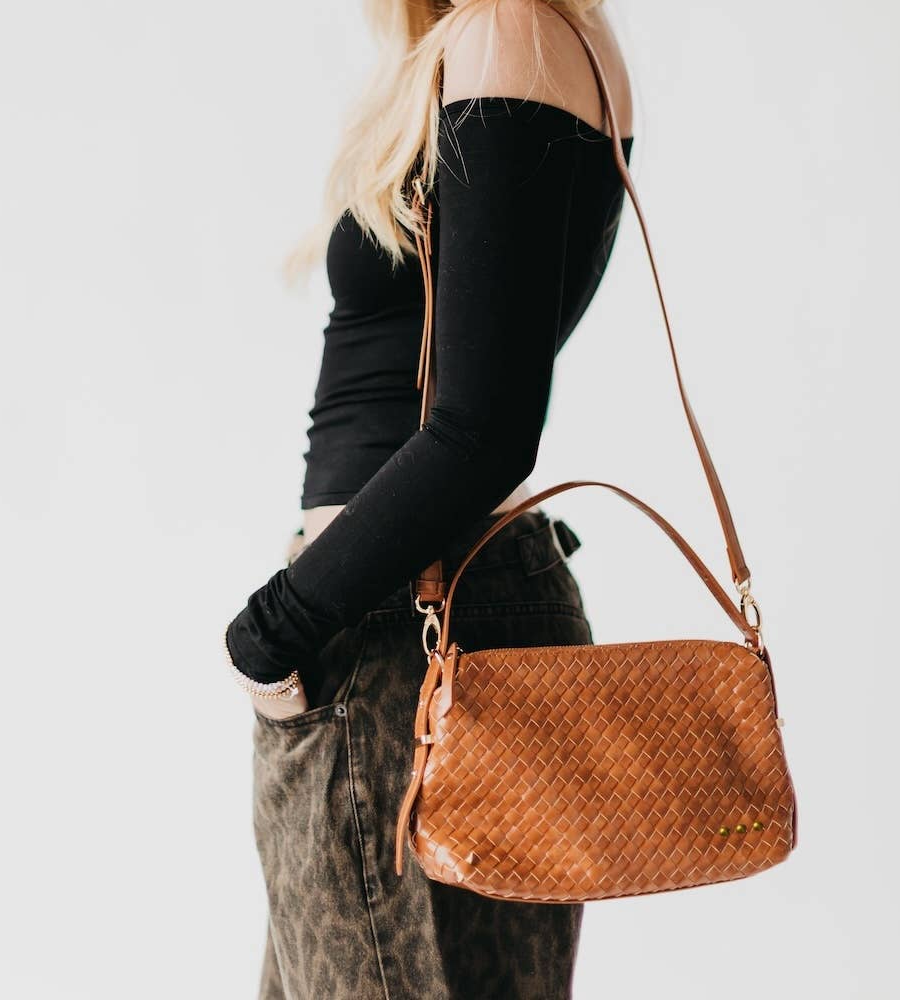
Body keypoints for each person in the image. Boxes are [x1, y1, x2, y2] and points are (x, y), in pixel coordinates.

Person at [224, 1, 634, 996]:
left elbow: (483, 431)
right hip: (413, 611)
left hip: (402, 626)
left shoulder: (508, 33)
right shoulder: (524, 39)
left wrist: (273, 628)